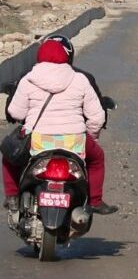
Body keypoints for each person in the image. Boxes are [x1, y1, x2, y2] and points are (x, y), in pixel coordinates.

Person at [2, 40, 118, 215]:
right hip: (74, 142)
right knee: (97, 158)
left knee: (9, 155)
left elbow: (15, 112)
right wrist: (92, 137)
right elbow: (97, 116)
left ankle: (12, 197)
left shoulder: (29, 79)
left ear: (39, 56)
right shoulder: (80, 80)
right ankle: (95, 201)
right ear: (66, 56)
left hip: (39, 142)